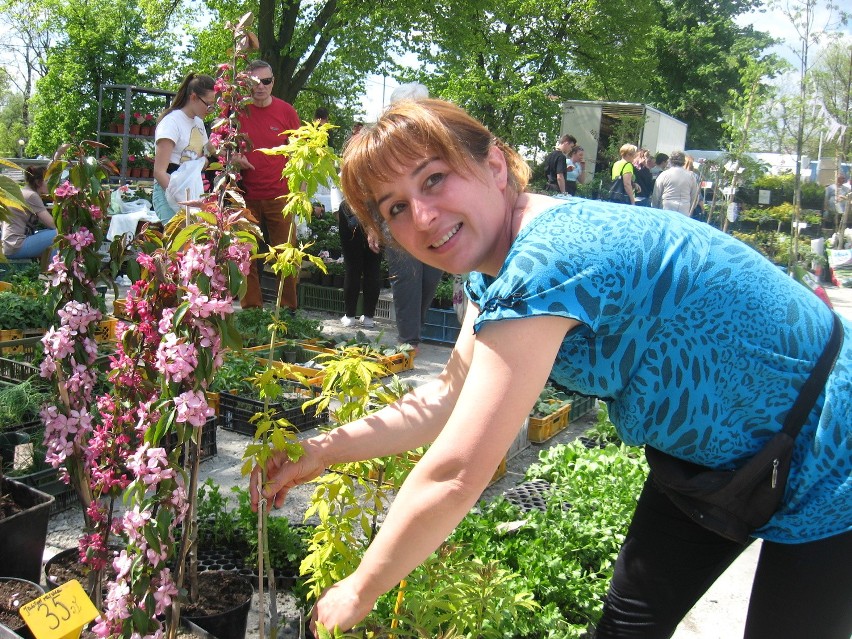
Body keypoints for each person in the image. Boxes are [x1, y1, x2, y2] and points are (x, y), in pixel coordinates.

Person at [250, 99, 852, 638]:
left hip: (833, 446)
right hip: (717, 459)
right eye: (396, 207)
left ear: (494, 164)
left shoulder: (548, 260)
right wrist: (320, 451)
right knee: (626, 628)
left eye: (434, 178)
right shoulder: (496, 272)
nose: (423, 216)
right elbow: (445, 399)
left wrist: (362, 587)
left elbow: (457, 473)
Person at [232, 59, 302, 310]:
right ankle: (252, 312)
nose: (260, 87)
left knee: (286, 256)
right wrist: (232, 158)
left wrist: (300, 195)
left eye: (266, 81)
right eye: (253, 82)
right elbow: (219, 147)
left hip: (280, 198)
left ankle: (288, 312)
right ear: (245, 83)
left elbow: (300, 154)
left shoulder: (286, 112)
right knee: (246, 258)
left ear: (273, 82)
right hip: (245, 197)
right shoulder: (236, 111)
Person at [385, 82, 444, 351]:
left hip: (433, 218)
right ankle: (409, 340)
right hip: (398, 220)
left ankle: (414, 332)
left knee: (430, 277)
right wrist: (375, 227)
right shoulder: (384, 143)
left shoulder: (435, 140)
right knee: (408, 277)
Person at [152, 73, 216, 224]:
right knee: (176, 243)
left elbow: (200, 157)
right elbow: (159, 172)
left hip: (191, 192)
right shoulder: (171, 122)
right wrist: (178, 198)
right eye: (208, 104)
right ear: (193, 97)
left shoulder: (199, 123)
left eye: (213, 105)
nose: (210, 109)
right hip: (168, 192)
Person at [337, 124, 382, 328]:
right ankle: (369, 317)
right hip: (375, 214)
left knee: (353, 266)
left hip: (352, 213)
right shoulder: (380, 161)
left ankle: (349, 316)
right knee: (372, 266)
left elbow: (341, 187)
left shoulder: (350, 160)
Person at [1, 165, 56, 267]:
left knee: (49, 234)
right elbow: (53, 225)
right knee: (58, 235)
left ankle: (48, 273)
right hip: (16, 246)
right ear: (38, 182)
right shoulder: (31, 195)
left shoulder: (24, 192)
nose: (51, 184)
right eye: (48, 181)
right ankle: (52, 273)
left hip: (9, 245)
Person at [651, 150, 699, 215]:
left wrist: (655, 208)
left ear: (670, 161)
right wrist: (690, 208)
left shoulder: (664, 174)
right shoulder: (691, 176)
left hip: (667, 207)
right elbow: (694, 196)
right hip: (684, 208)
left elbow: (656, 195)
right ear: (683, 162)